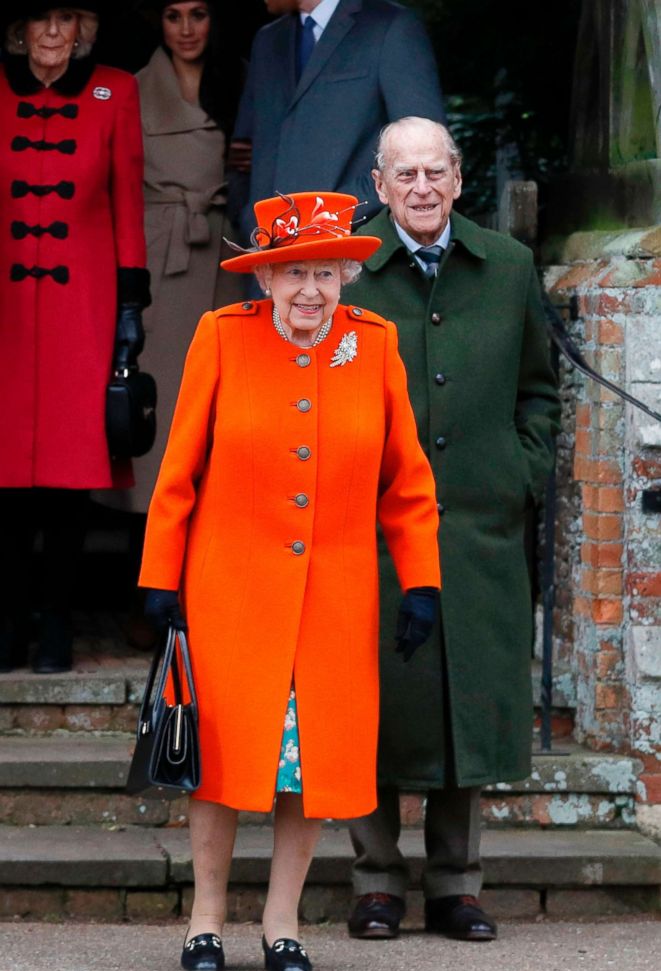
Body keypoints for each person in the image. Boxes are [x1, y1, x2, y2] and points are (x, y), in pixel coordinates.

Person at [138, 190, 441, 971]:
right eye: (292, 273)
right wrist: (159, 574)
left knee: (303, 770)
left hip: (333, 598)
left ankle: (282, 923)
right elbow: (180, 466)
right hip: (228, 590)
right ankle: (205, 921)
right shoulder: (221, 337)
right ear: (265, 280)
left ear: (347, 274)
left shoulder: (373, 344)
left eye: (326, 274)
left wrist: (421, 583)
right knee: (218, 759)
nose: (311, 291)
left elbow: (406, 482)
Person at [342, 117, 561, 941]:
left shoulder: (506, 267)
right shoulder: (349, 268)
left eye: (436, 172)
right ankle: (374, 881)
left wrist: (519, 470)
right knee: (376, 700)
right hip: (374, 526)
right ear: (380, 186)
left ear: (459, 178)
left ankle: (455, 884)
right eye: (406, 176)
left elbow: (537, 388)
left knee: (466, 700)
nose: (423, 188)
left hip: (478, 523)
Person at [0, 2, 148, 674]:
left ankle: (56, 624)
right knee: (4, 479)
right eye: (40, 20)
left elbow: (126, 203)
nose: (53, 33)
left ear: (84, 29)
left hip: (82, 308)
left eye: (66, 20)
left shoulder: (117, 90)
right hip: (5, 312)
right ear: (19, 31)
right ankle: (8, 622)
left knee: (68, 475)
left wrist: (130, 306)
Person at [97, 1, 243, 645]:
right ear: (155, 23)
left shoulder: (242, 80)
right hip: (160, 262)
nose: (187, 28)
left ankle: (213, 591)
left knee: (221, 420)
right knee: (155, 426)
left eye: (200, 14)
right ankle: (149, 590)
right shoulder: (131, 85)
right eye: (173, 14)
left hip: (226, 254)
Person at [228, 0, 446, 240]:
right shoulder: (267, 40)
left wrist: (327, 218)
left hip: (355, 253)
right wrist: (248, 219)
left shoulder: (390, 26)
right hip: (269, 254)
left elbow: (423, 152)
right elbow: (242, 152)